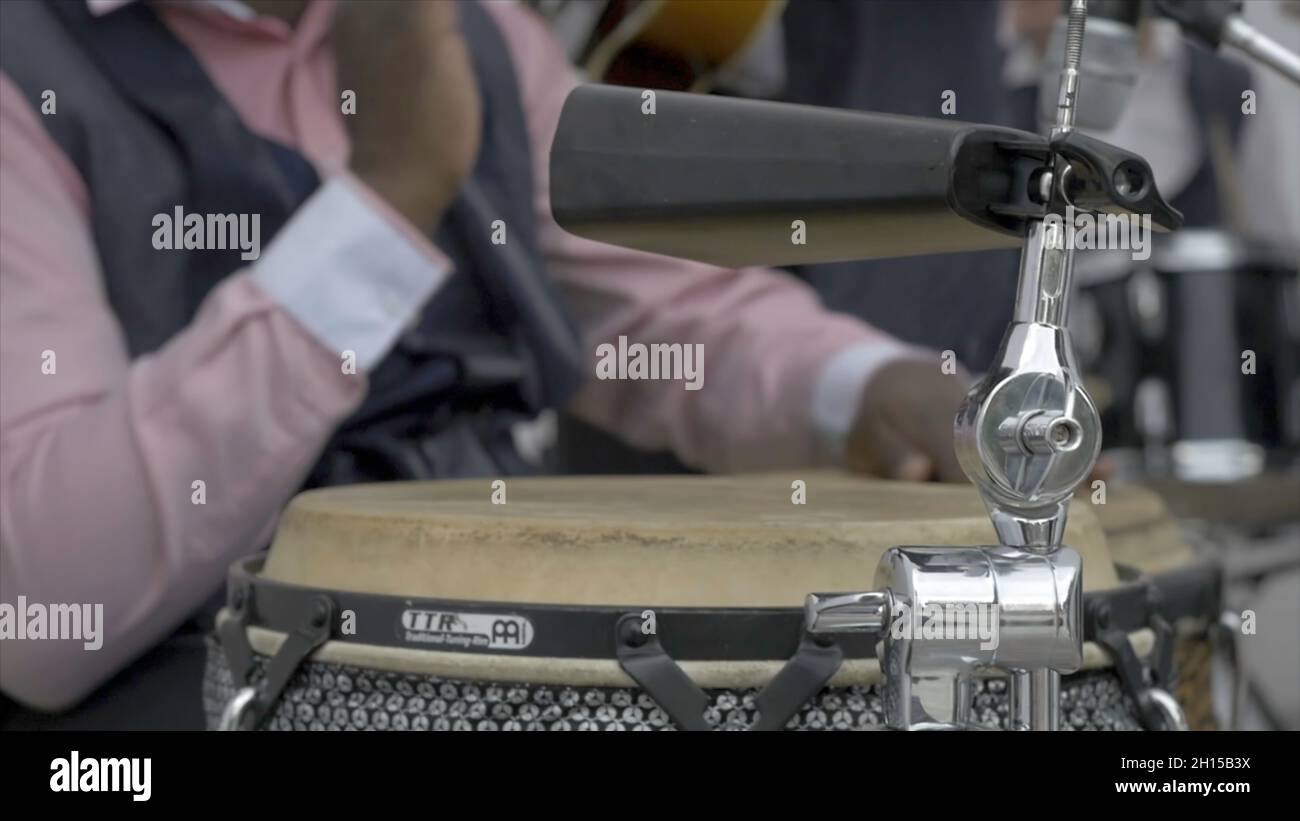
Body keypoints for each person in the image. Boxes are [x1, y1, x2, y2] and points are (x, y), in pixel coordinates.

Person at [0, 0, 966, 728]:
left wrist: (866, 387)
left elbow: (661, 309)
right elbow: (46, 602)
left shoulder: (479, 29)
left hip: (501, 668)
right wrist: (388, 195)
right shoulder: (25, 71)